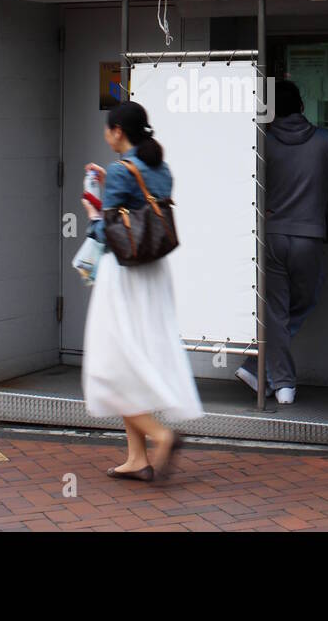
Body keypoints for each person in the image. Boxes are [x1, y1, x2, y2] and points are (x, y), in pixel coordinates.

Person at [81, 101, 201, 482]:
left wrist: (92, 216)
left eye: (107, 129)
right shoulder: (159, 167)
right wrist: (109, 187)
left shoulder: (121, 170)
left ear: (118, 131)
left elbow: (111, 230)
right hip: (154, 273)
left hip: (124, 275)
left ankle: (161, 436)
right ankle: (137, 459)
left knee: (108, 367)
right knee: (132, 359)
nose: (106, 134)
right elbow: (140, 211)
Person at [236, 80, 328, 405]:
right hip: (310, 236)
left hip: (270, 236)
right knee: (305, 300)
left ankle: (264, 373)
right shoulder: (327, 140)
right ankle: (276, 379)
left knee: (276, 312)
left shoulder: (263, 143)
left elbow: (246, 185)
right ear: (301, 106)